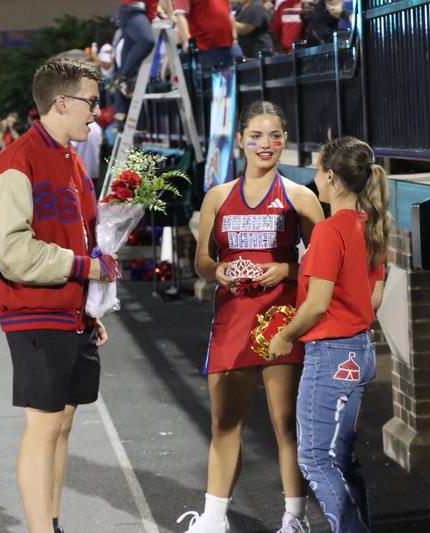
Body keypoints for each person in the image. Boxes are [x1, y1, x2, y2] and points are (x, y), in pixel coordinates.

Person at [0, 56, 119, 533]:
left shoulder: (71, 160)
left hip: (68, 310)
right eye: (91, 102)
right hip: (34, 310)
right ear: (61, 102)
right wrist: (83, 268)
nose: (96, 112)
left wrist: (89, 305)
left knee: (61, 425)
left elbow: (77, 232)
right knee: (43, 428)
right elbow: (12, 251)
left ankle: (53, 523)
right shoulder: (16, 161)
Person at [180, 100, 324, 533]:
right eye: (257, 136)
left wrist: (286, 269)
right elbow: (203, 261)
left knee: (286, 425)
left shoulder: (301, 198)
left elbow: (324, 271)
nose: (267, 144)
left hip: (283, 321)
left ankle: (295, 519)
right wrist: (219, 270)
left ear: (285, 140)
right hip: (232, 321)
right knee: (224, 423)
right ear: (240, 139)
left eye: (275, 135)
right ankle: (213, 519)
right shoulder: (217, 197)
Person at [268, 136, 391, 533]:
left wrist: (285, 335)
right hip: (360, 350)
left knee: (316, 458)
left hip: (332, 355)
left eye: (319, 172)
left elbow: (317, 303)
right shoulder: (371, 226)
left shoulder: (328, 232)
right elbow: (374, 298)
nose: (315, 179)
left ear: (333, 180)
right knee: (341, 456)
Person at [173, 0, 243, 68]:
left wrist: (234, 37)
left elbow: (228, 12)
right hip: (204, 47)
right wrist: (187, 40)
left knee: (233, 77)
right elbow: (181, 15)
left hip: (228, 45)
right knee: (210, 77)